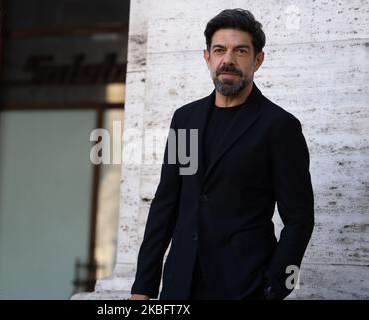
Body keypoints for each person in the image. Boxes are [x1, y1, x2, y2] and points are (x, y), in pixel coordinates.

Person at [130, 8, 314, 300]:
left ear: (258, 59)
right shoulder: (185, 119)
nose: (228, 59)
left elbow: (300, 218)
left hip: (244, 288)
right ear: (207, 57)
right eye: (219, 50)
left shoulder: (279, 126)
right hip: (179, 286)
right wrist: (143, 287)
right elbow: (166, 204)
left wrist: (273, 287)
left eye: (240, 50)